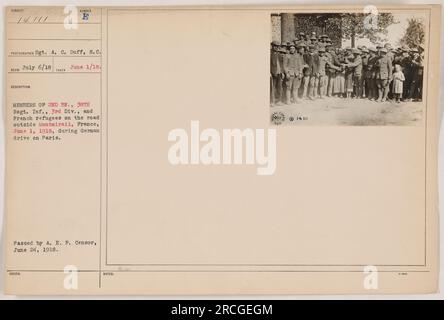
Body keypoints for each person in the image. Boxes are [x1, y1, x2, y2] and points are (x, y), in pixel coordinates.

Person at [270, 41, 283, 105]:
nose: (276, 47)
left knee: (279, 87)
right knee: (272, 87)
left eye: (277, 46)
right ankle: (272, 101)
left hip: (279, 73)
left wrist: (282, 72)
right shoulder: (270, 53)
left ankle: (278, 101)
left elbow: (281, 64)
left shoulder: (279, 54)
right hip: (273, 73)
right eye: (275, 46)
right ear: (272, 46)